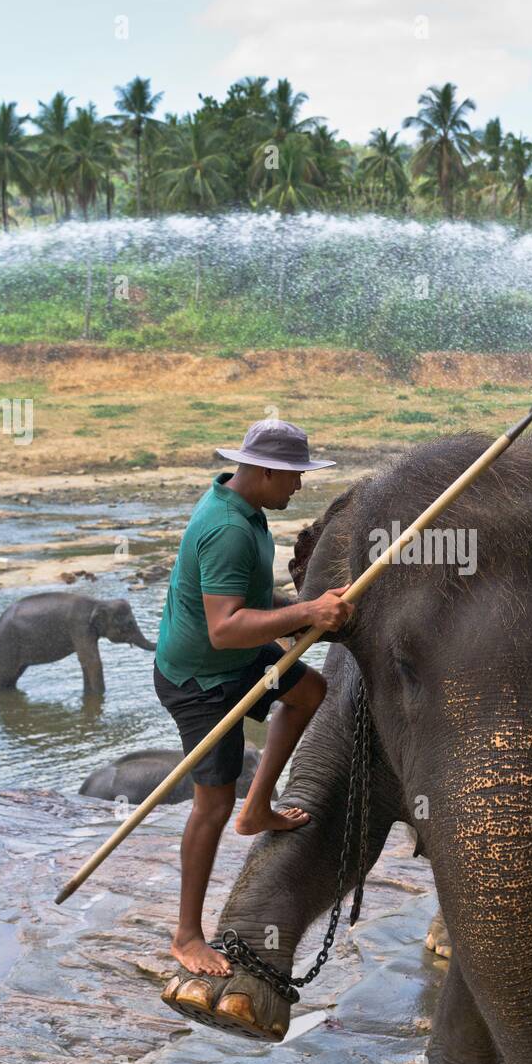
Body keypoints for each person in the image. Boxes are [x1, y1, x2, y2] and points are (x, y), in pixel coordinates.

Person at [153, 418, 354, 976]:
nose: (298, 488)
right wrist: (307, 613)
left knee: (309, 690)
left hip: (239, 658)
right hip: (201, 679)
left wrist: (300, 612)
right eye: (293, 477)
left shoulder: (247, 509)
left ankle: (258, 807)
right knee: (210, 804)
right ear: (265, 470)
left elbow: (248, 601)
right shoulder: (228, 529)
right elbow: (224, 627)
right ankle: (187, 935)